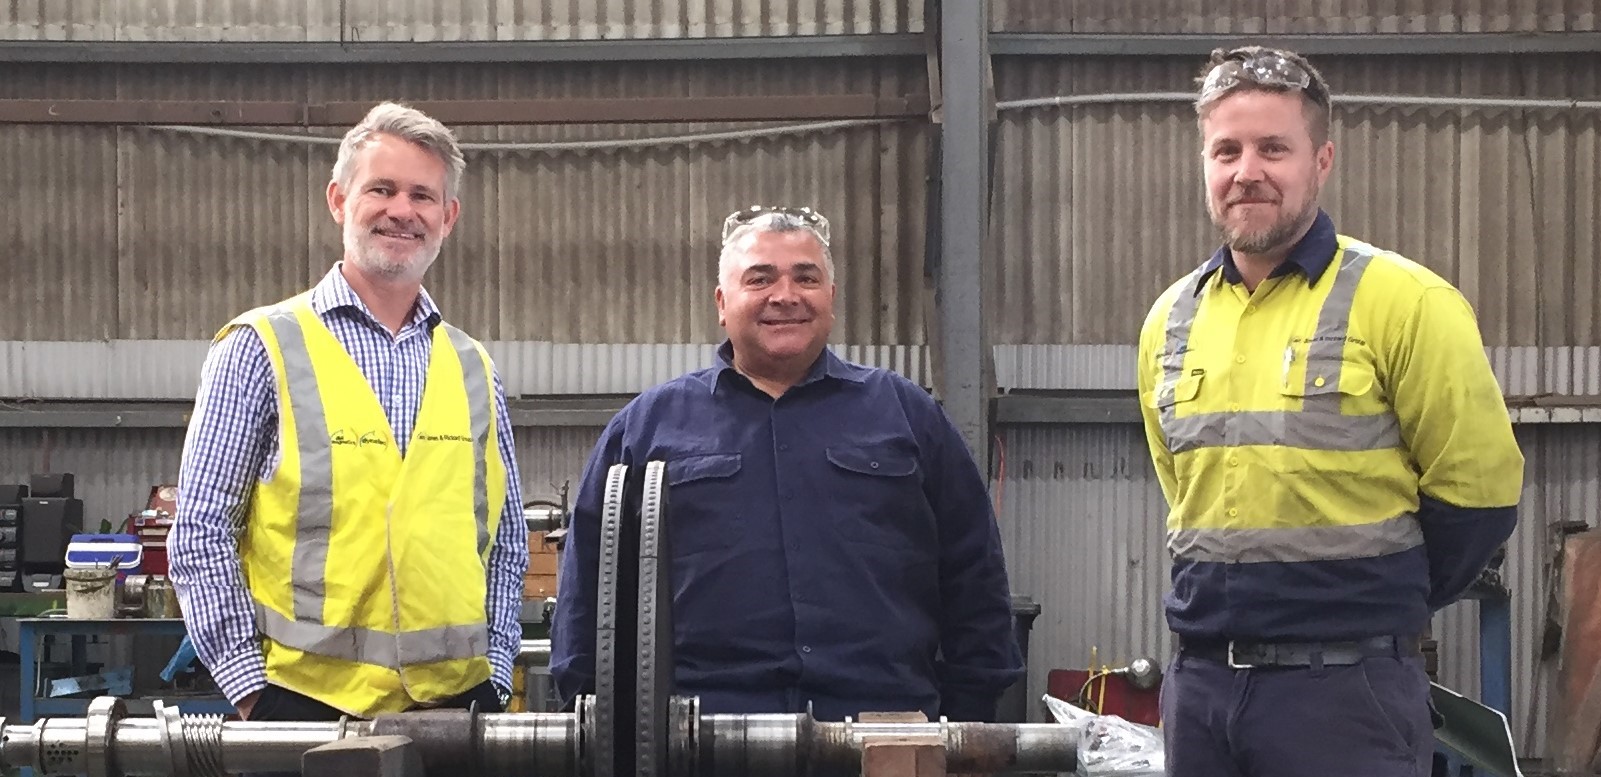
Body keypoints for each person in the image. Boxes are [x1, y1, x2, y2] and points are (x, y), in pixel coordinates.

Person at [1137, 46, 1524, 776]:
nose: (1246, 171)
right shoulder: (1170, 320)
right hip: (1201, 693)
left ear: (1321, 160)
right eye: (1226, 150)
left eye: (1273, 148)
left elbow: (1479, 497)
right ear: (1205, 163)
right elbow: (1180, 486)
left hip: (1346, 696)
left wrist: (1369, 606)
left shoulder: (1406, 302)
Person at [550, 206, 1023, 722]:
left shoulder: (908, 415)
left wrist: (967, 718)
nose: (785, 295)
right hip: (699, 735)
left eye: (806, 278)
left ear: (831, 298)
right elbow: (589, 588)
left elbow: (974, 570)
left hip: (885, 728)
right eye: (760, 279)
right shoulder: (648, 428)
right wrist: (596, 723)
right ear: (721, 303)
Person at [170, 102, 528, 723]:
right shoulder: (260, 348)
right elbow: (202, 530)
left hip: (457, 710)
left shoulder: (474, 366)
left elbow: (506, 541)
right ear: (339, 200)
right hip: (303, 710)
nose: (402, 210)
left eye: (422, 195)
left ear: (448, 218)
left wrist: (495, 673)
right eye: (381, 189)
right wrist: (252, 692)